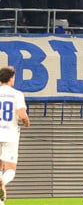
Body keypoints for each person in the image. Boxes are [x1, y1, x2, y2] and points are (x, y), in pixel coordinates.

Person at [0, 67, 29, 205]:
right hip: (10, 135)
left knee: (0, 167)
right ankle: (2, 182)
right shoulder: (17, 94)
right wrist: (26, 122)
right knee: (10, 169)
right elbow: (23, 115)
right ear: (11, 78)